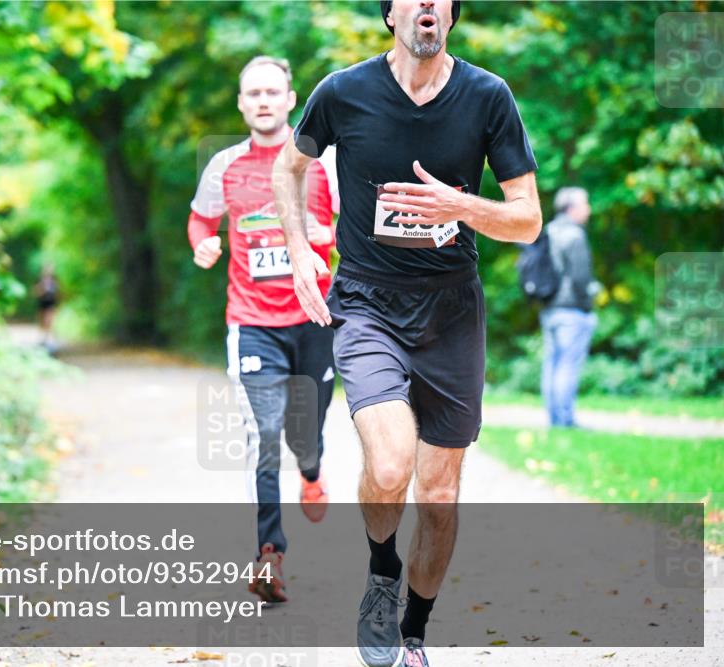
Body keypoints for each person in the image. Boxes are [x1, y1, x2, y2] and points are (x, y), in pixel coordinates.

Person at [272, 1, 541, 664]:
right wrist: (302, 246)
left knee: (441, 495)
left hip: (451, 312)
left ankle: (414, 632)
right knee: (390, 465)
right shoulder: (343, 92)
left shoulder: (487, 97)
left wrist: (461, 207)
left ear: (452, 13)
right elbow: (290, 168)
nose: (428, 3)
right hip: (367, 304)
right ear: (391, 14)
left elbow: (528, 219)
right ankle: (381, 571)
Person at [188, 55, 339, 603]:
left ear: (291, 98)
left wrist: (324, 231)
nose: (264, 101)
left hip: (315, 315)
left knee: (306, 436)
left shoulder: (322, 163)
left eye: (273, 91)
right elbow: (202, 217)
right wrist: (202, 242)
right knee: (265, 436)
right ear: (241, 103)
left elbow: (357, 221)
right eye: (253, 93)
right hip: (251, 322)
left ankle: (315, 466)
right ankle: (269, 554)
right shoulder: (224, 165)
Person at [540, 187, 600, 428]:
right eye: (585, 204)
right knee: (567, 364)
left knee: (552, 362)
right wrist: (588, 307)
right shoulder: (575, 235)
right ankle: (564, 420)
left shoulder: (548, 231)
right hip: (572, 310)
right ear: (572, 208)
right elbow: (580, 279)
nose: (589, 209)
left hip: (549, 308)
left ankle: (554, 418)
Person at [34, 267, 60, 353]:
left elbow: (59, 293)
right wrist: (42, 290)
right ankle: (44, 338)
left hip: (51, 304)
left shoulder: (55, 281)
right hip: (42, 303)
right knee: (43, 322)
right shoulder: (39, 281)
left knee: (49, 320)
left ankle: (49, 339)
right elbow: (35, 292)